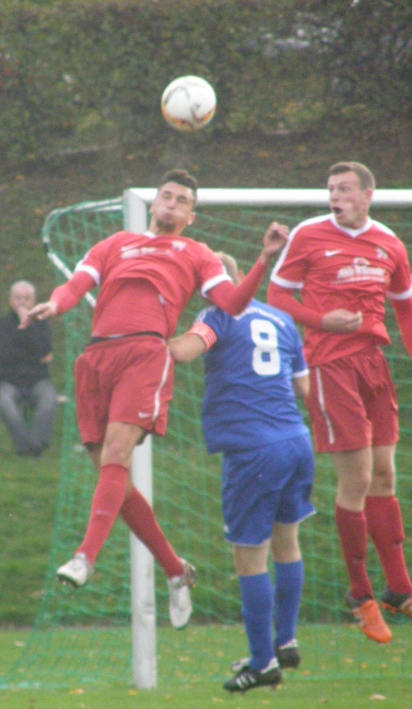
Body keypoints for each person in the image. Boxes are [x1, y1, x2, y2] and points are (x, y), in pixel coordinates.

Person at [23, 169, 288, 630]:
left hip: (145, 353)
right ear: (154, 203)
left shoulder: (197, 253)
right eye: (166, 195)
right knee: (113, 477)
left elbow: (232, 304)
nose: (171, 203)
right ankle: (175, 569)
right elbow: (75, 286)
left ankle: (85, 557)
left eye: (182, 200)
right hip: (96, 358)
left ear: (191, 215)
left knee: (116, 454)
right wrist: (56, 304)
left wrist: (264, 260)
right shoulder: (115, 244)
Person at [267, 161, 412, 644]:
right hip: (329, 365)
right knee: (358, 480)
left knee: (385, 477)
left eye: (344, 188)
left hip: (374, 365)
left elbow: (406, 306)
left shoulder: (389, 242)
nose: (335, 196)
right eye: (330, 189)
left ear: (367, 194)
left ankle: (400, 589)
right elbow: (276, 296)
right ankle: (361, 595)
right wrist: (321, 320)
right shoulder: (308, 234)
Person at [169, 252, 314, 692]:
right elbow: (303, 387)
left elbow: (182, 353)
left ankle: (262, 662)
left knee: (249, 556)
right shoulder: (282, 319)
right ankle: (284, 640)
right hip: (296, 441)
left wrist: (143, 336)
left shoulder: (217, 316)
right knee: (287, 543)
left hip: (253, 451)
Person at [0, 281, 57, 457]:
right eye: (18, 298)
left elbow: (43, 348)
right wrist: (34, 356)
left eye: (26, 298)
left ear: (33, 301)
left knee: (49, 400)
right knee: (6, 404)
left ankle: (36, 442)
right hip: (9, 380)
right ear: (10, 301)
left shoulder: (42, 324)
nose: (22, 302)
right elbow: (4, 354)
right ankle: (24, 446)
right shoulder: (1, 325)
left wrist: (28, 325)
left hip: (37, 379)